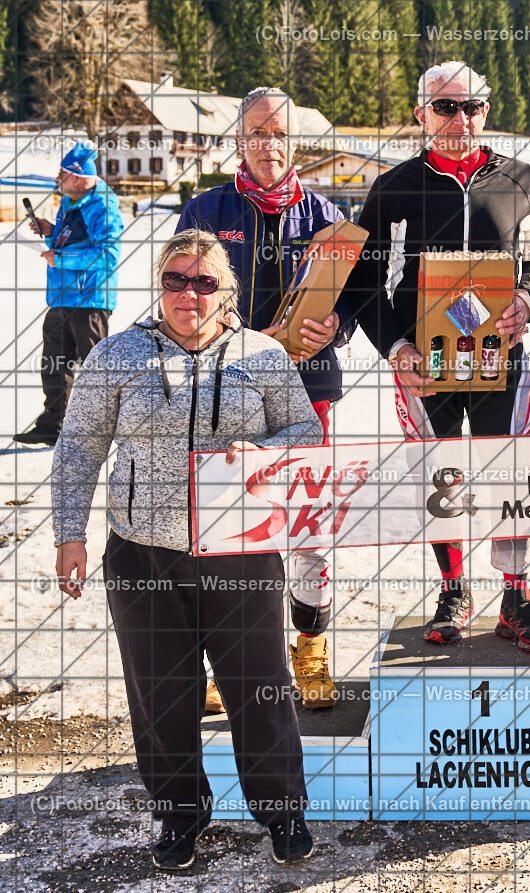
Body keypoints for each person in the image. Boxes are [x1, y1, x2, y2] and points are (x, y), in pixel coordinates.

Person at [52, 229, 324, 870]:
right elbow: (80, 446)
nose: (188, 294)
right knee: (161, 695)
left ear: (226, 292)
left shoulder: (262, 356)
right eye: (176, 279)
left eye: (204, 282)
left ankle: (282, 812)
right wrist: (70, 534)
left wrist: (264, 452)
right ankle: (178, 817)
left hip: (241, 554)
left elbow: (306, 430)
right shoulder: (117, 356)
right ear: (160, 286)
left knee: (260, 690)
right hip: (143, 554)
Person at [347, 60, 530, 651]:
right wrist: (395, 348)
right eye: (446, 108)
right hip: (426, 362)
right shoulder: (393, 186)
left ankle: (516, 595)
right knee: (440, 476)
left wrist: (527, 299)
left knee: (510, 472)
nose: (460, 119)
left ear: (486, 111)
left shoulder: (521, 179)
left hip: (502, 359)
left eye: (472, 107)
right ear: (421, 115)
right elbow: (363, 284)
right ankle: (454, 589)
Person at [178, 86, 357, 710]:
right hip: (223, 391)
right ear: (239, 141)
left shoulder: (329, 218)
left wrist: (335, 328)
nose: (269, 144)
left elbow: (353, 306)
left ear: (294, 142)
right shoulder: (204, 211)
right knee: (226, 529)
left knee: (308, 527)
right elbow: (182, 304)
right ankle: (223, 666)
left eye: (279, 133)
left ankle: (310, 653)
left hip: (309, 395)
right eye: (257, 132)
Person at [15, 141, 123, 447]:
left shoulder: (101, 204)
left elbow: (107, 253)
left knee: (94, 368)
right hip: (64, 296)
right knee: (54, 363)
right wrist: (50, 229)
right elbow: (71, 236)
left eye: (61, 174)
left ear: (77, 177)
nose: (56, 179)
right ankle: (53, 426)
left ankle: (102, 429)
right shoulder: (69, 201)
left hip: (90, 299)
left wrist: (61, 259)